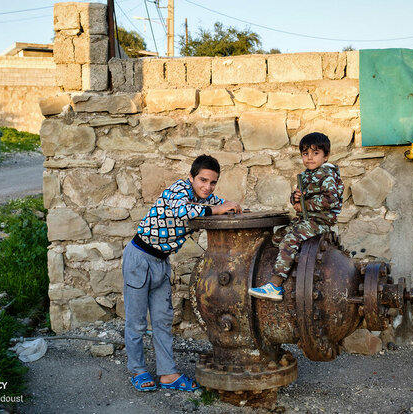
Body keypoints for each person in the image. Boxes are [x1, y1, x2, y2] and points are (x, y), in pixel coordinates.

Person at [124, 154, 242, 392]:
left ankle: (168, 374)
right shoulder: (178, 190)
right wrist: (218, 209)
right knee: (136, 322)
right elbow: (183, 212)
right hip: (139, 258)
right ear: (191, 177)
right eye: (202, 180)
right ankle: (137, 370)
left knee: (162, 321)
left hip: (160, 262)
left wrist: (232, 207)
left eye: (212, 182)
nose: (207, 187)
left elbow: (219, 205)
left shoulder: (205, 197)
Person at [248, 132, 344, 301]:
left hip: (319, 221)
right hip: (306, 219)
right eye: (305, 154)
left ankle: (276, 285)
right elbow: (297, 198)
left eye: (315, 153)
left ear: (326, 156)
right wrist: (296, 198)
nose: (309, 158)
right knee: (278, 238)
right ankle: (293, 265)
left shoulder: (326, 175)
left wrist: (304, 205)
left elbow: (330, 200)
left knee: (289, 240)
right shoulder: (307, 174)